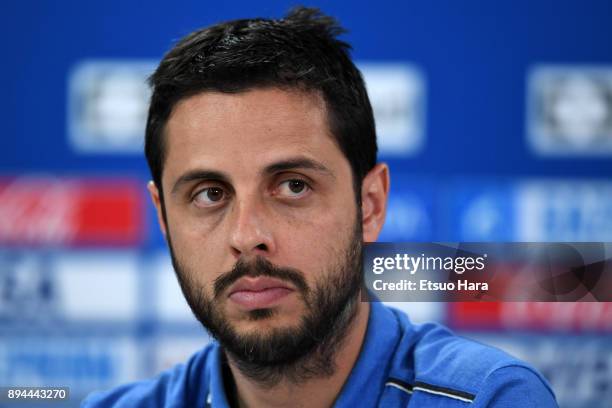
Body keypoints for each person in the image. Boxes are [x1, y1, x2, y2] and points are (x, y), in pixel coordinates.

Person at [82, 7, 558, 407]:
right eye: (210, 194)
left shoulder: (490, 399)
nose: (247, 235)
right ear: (164, 218)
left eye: (292, 186)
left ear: (370, 205)